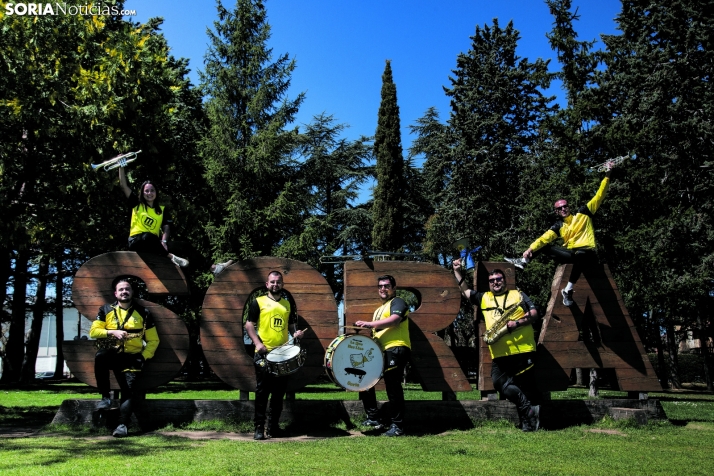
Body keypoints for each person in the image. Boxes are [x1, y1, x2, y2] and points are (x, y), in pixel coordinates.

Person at [505, 163, 614, 306]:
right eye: (560, 208)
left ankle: (567, 290)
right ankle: (524, 262)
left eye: (565, 206)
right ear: (556, 212)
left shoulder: (584, 213)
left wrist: (608, 174)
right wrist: (530, 249)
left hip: (588, 253)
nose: (563, 209)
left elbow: (600, 194)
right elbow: (544, 238)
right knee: (543, 246)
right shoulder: (559, 226)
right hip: (573, 254)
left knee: (581, 255)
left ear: (569, 207)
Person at [453, 262, 541, 431]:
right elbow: (465, 291)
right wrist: (457, 271)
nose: (495, 282)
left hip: (523, 349)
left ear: (505, 280)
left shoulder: (518, 295)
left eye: (498, 279)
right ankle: (528, 408)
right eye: (492, 280)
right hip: (499, 352)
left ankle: (528, 422)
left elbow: (535, 313)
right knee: (499, 383)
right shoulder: (484, 298)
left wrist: (516, 323)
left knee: (524, 386)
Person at [118, 166, 232, 275]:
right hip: (137, 242)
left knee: (185, 245)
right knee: (147, 236)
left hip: (155, 246)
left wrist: (164, 242)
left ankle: (214, 268)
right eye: (146, 191)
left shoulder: (161, 210)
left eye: (152, 190)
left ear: (156, 193)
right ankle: (171, 257)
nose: (149, 193)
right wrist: (121, 167)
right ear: (142, 193)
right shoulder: (137, 205)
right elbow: (123, 185)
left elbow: (166, 227)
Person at [90, 278, 159, 437]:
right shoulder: (105, 310)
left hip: (132, 357)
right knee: (100, 356)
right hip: (112, 354)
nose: (124, 292)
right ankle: (105, 397)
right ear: (116, 293)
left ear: (132, 292)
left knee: (128, 390)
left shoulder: (144, 313)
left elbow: (153, 340)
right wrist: (111, 332)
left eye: (127, 289)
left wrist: (144, 356)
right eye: (121, 289)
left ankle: (122, 425)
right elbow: (94, 332)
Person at [244, 270, 305, 440]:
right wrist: (257, 343)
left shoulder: (287, 304)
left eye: (278, 282)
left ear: (282, 284)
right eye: (272, 282)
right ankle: (258, 428)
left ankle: (273, 427)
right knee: (262, 392)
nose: (275, 285)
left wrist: (296, 334)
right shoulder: (258, 302)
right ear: (267, 284)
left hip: (282, 356)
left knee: (278, 394)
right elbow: (249, 325)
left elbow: (291, 326)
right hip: (263, 355)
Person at [354, 274, 411, 437]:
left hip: (396, 348)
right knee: (364, 380)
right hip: (381, 351)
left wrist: (369, 324)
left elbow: (394, 320)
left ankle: (398, 426)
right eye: (380, 286)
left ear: (394, 288)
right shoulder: (379, 310)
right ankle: (374, 418)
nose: (383, 289)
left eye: (386, 285)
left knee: (393, 388)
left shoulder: (398, 302)